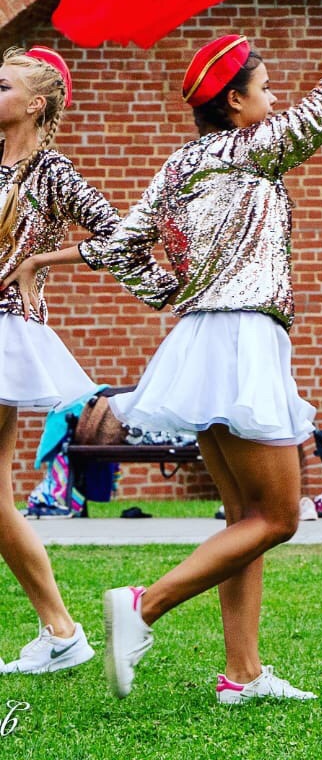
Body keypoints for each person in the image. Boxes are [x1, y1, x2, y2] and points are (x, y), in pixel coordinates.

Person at [84, 0, 322, 701]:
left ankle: (243, 673)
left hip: (199, 341)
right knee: (280, 516)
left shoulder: (178, 165)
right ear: (234, 101)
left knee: (243, 518)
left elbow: (122, 247)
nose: (275, 98)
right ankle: (143, 606)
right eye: (265, 88)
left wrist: (179, 291)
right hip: (243, 339)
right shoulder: (250, 150)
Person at [0, 46, 144, 675]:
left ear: (35, 104)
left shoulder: (51, 171)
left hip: (8, 332)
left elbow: (121, 237)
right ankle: (61, 632)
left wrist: (39, 261)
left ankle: (62, 631)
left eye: (1, 86)